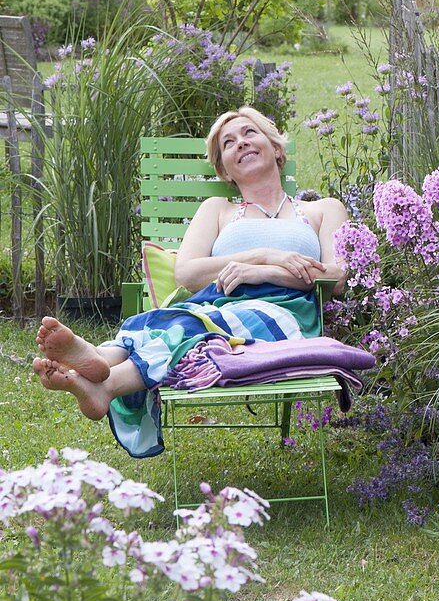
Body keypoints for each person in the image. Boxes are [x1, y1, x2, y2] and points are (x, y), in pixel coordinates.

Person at [33, 106, 348, 456]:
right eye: (229, 143)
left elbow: (337, 278)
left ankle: (104, 382)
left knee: (194, 329)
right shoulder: (218, 210)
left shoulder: (322, 210)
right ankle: (98, 361)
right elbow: (188, 273)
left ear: (275, 147)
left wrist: (264, 273)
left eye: (249, 133)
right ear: (223, 169)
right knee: (171, 322)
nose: (241, 143)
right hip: (215, 303)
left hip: (284, 313)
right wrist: (264, 255)